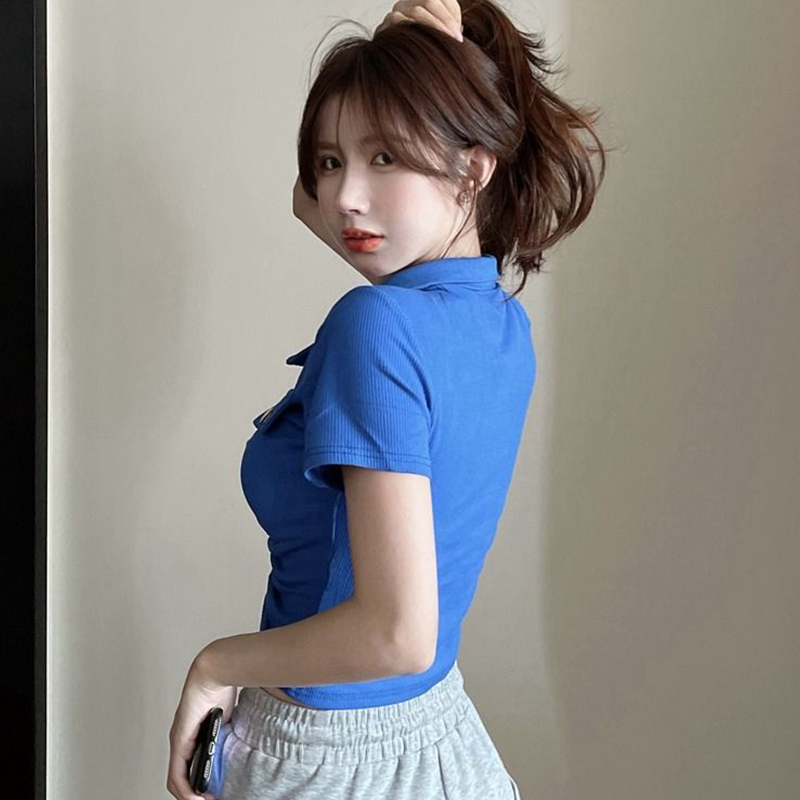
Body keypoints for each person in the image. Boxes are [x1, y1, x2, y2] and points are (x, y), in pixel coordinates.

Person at [167, 1, 609, 798]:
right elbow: (315, 201)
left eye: (385, 157)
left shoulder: (375, 325)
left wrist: (215, 666)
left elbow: (396, 633)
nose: (344, 197)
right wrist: (416, 77)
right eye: (331, 160)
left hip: (325, 760)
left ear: (475, 165)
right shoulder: (496, 320)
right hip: (441, 738)